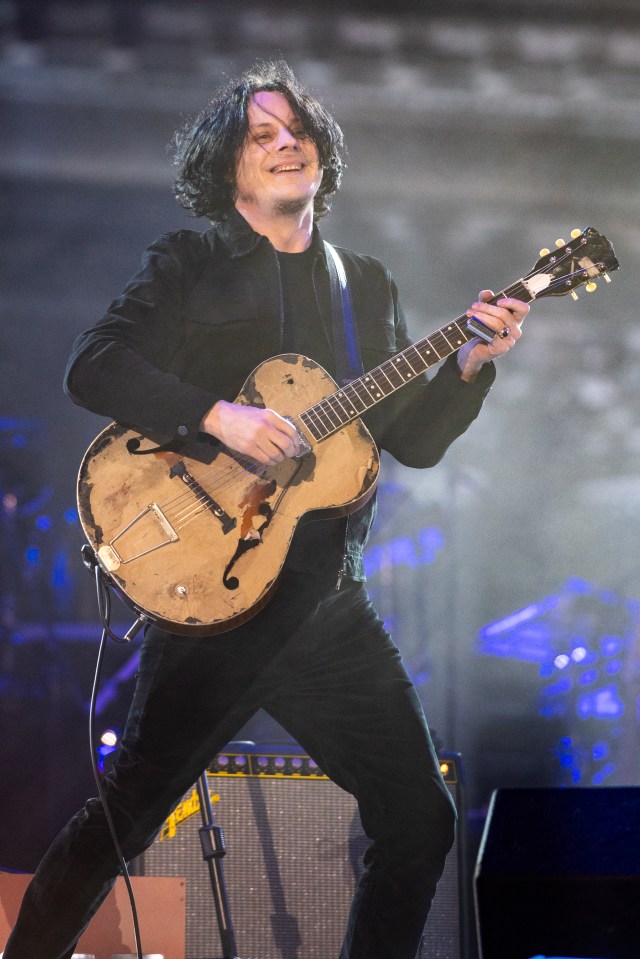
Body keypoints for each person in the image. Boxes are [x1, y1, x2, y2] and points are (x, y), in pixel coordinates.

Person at [3, 60, 528, 959]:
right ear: (229, 167)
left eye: (299, 130)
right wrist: (218, 416)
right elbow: (93, 365)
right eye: (263, 134)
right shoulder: (190, 261)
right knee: (126, 815)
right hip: (215, 597)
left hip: (327, 607)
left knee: (420, 820)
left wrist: (472, 366)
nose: (288, 143)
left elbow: (414, 440)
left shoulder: (363, 283)